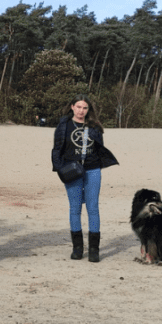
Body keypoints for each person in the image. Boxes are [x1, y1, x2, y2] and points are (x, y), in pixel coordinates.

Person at [51, 94, 118, 262]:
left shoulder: (95, 126)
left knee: (92, 207)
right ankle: (78, 248)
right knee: (75, 208)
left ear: (89, 110)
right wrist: (60, 169)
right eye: (78, 107)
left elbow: (99, 147)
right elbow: (57, 149)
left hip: (93, 169)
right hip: (72, 170)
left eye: (85, 108)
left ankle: (94, 249)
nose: (81, 111)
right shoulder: (64, 125)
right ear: (72, 107)